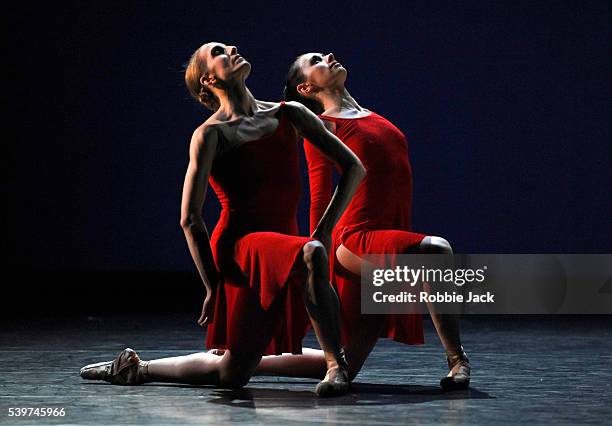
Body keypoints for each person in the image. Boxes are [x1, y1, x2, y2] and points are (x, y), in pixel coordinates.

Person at [80, 43, 366, 397]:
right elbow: (190, 218)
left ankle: (137, 369)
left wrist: (324, 229)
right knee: (311, 255)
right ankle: (337, 365)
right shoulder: (210, 134)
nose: (232, 48)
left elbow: (353, 167)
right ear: (209, 78)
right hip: (241, 249)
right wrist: (212, 286)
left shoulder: (289, 114)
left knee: (233, 372)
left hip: (283, 243)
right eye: (218, 50)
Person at [254, 52, 470, 391]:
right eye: (317, 60)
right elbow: (320, 195)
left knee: (345, 363)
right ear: (307, 87)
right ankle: (457, 360)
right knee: (437, 251)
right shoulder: (324, 126)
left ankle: (239, 360)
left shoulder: (375, 118)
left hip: (386, 238)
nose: (329, 56)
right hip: (356, 240)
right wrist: (317, 257)